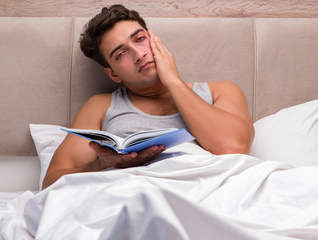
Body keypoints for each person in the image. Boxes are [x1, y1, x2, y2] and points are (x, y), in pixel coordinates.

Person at [42, 4, 254, 189]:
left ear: (154, 39)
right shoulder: (101, 106)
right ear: (113, 73)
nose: (139, 54)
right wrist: (102, 165)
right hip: (133, 196)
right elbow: (51, 182)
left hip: (206, 193)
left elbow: (233, 149)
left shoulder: (221, 91)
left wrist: (172, 80)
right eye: (121, 54)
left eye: (140, 39)